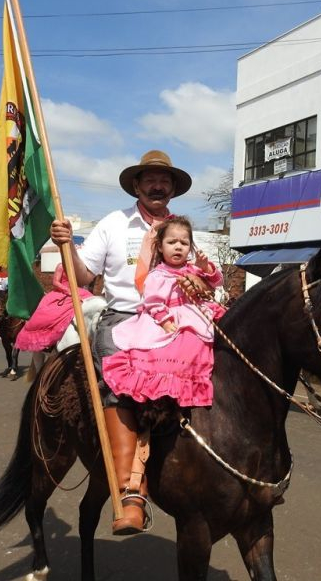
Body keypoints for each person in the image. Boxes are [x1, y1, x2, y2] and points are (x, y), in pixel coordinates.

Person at [50, 149, 209, 535]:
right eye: (150, 179)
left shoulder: (184, 230)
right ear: (136, 186)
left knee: (215, 367)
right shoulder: (112, 224)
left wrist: (201, 283)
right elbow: (84, 276)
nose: (158, 185)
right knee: (117, 383)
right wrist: (66, 244)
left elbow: (203, 274)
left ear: (173, 189)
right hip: (124, 318)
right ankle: (130, 492)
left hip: (174, 319)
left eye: (165, 180)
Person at [102, 216, 223, 411]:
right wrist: (165, 320)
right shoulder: (158, 274)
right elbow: (153, 302)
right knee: (182, 343)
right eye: (172, 242)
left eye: (184, 243)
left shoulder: (192, 269)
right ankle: (172, 388)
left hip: (196, 313)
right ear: (160, 247)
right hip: (167, 318)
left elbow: (217, 282)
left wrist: (205, 267)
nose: (178, 247)